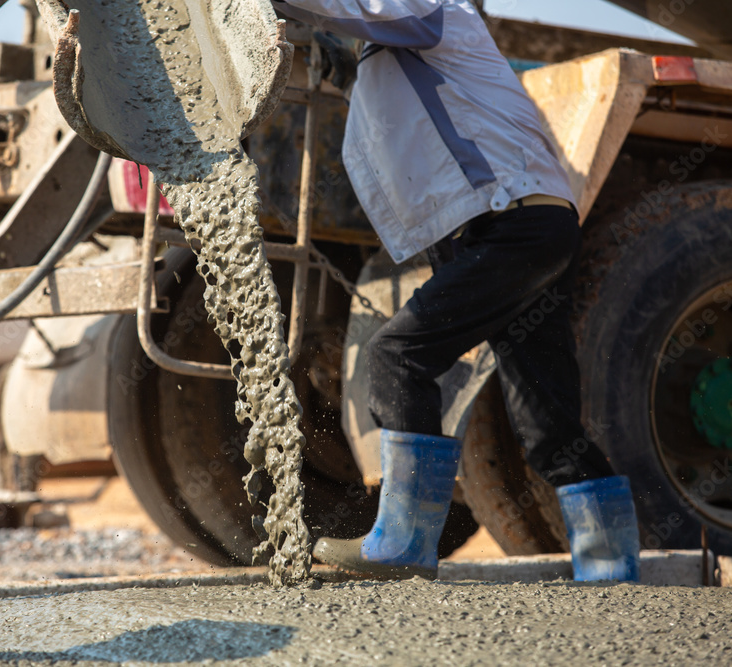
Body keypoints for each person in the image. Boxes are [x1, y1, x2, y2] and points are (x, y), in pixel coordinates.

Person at [270, 0, 641, 581]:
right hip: (521, 227)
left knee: (398, 356)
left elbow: (354, 10)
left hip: (510, 224)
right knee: (546, 421)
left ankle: (405, 542)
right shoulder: (393, 49)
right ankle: (612, 567)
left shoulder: (433, 6)